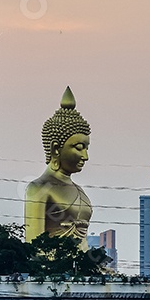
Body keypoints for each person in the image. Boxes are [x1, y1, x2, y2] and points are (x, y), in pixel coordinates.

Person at [24, 87, 93, 251]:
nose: (85, 156)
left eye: (87, 148)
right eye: (79, 147)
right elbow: (33, 247)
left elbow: (83, 244)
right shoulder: (38, 188)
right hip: (52, 270)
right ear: (56, 149)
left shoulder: (79, 190)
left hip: (81, 269)